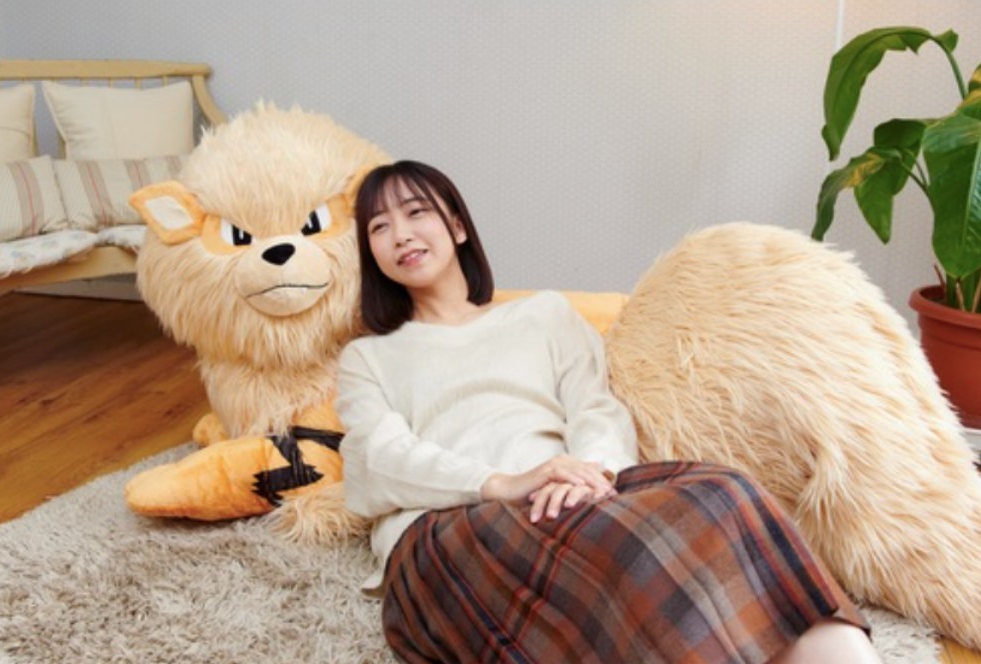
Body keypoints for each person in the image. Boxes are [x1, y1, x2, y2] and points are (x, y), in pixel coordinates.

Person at [335, 160, 880, 663]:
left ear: (457, 226)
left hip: (565, 498)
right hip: (448, 528)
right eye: (379, 227)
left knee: (725, 491)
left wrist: (593, 478)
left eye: (416, 212)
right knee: (626, 557)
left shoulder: (544, 315)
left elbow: (594, 409)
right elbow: (375, 462)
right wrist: (500, 484)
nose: (400, 234)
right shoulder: (368, 357)